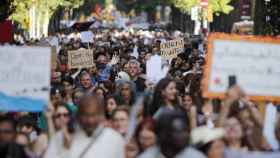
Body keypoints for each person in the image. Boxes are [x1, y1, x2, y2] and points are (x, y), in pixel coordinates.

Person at [44, 94, 125, 158]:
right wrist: (65, 149)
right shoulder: (62, 137)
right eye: (86, 115)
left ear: (102, 115)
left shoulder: (115, 139)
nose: (90, 120)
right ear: (78, 115)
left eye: (94, 115)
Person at [138, 109, 206, 158]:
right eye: (179, 131)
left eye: (186, 130)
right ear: (163, 134)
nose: (185, 135)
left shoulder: (196, 156)